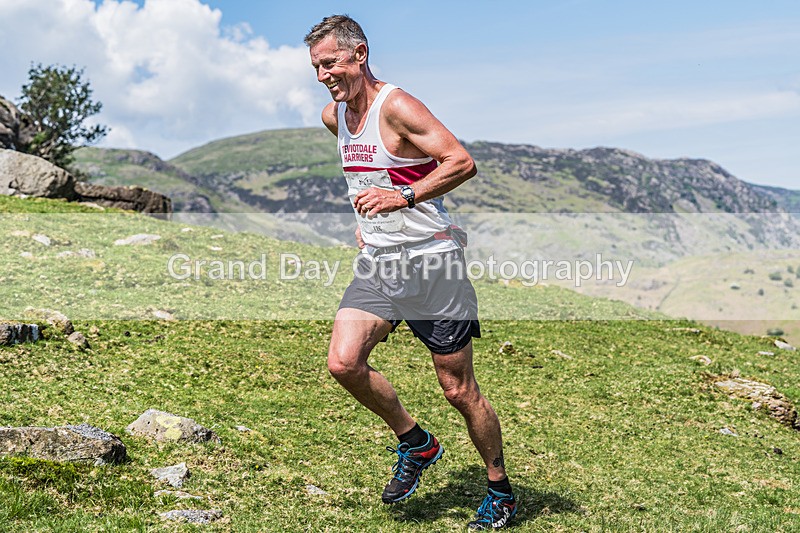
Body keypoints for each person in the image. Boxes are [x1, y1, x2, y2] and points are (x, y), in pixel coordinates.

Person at [305, 15, 516, 529]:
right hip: (380, 265)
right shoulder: (336, 118)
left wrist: (402, 197)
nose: (323, 75)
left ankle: (500, 489)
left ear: (360, 54)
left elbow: (460, 161)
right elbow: (367, 173)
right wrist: (366, 219)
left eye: (330, 63)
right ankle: (416, 443)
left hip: (433, 265)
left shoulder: (396, 106)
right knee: (343, 363)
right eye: (315, 67)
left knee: (458, 389)